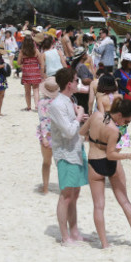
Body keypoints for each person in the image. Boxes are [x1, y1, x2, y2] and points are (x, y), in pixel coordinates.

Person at [79, 98, 131, 249]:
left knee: (99, 206)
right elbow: (111, 155)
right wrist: (129, 156)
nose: (125, 124)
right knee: (124, 200)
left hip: (95, 162)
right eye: (126, 121)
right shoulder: (114, 130)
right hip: (112, 163)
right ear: (119, 115)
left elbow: (81, 133)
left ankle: (105, 244)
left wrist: (94, 138)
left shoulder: (95, 116)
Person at [49, 67, 89, 245]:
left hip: (76, 149)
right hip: (65, 153)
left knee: (75, 193)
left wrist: (80, 117)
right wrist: (79, 117)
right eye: (76, 79)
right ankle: (65, 236)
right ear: (69, 84)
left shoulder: (69, 99)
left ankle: (74, 231)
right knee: (66, 195)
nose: (78, 82)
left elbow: (73, 127)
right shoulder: (57, 104)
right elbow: (68, 131)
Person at [37, 77, 60, 194]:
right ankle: (64, 189)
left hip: (47, 135)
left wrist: (45, 137)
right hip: (59, 136)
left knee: (46, 162)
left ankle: (45, 188)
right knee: (61, 164)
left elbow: (43, 121)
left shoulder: (41, 103)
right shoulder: (62, 102)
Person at [18, 35, 44, 111]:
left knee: (27, 91)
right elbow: (41, 63)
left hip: (26, 72)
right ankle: (37, 106)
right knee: (36, 89)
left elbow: (19, 62)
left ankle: (29, 106)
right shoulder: (36, 50)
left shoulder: (22, 51)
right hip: (35, 71)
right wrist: (41, 74)